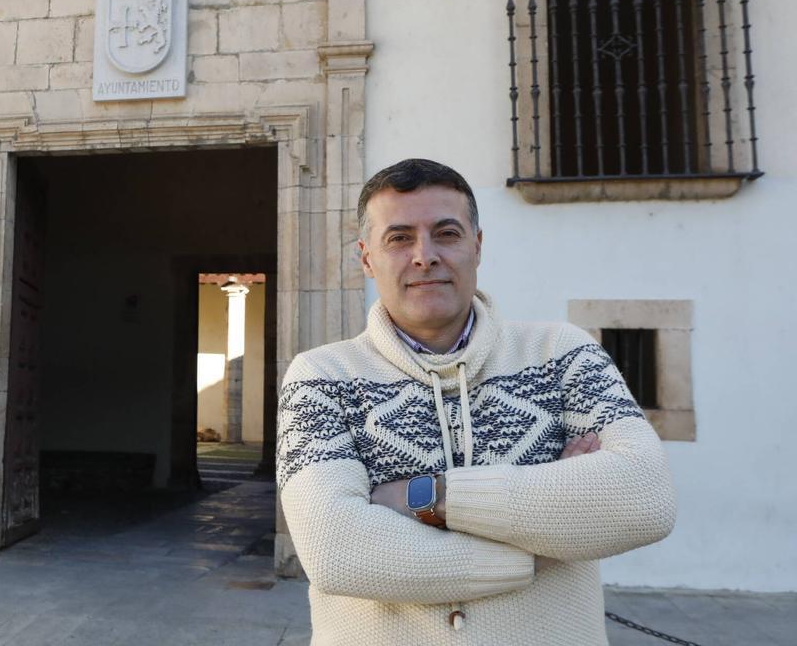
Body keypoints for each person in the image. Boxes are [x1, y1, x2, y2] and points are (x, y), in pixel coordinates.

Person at [277, 158, 676, 645]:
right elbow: (335, 551)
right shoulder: (321, 377)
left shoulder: (562, 352)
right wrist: (546, 538)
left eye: (446, 233)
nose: (424, 255)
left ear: (477, 246)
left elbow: (646, 498)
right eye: (399, 238)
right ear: (366, 258)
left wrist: (423, 497)